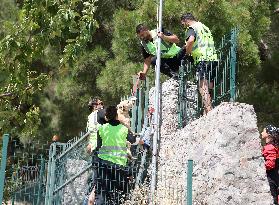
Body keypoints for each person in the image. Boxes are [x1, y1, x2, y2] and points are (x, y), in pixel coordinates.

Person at [93, 105, 137, 204]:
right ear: (117, 116)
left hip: (103, 166)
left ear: (107, 117)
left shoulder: (102, 129)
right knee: (119, 195)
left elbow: (98, 147)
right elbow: (133, 140)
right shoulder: (123, 129)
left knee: (103, 195)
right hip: (119, 167)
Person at [180, 13, 218, 114]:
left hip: (202, 59)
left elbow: (191, 40)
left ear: (186, 21)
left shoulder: (191, 28)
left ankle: (209, 111)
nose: (183, 26)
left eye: (183, 24)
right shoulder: (204, 27)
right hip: (213, 58)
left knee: (202, 86)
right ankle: (207, 110)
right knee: (209, 85)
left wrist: (187, 53)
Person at [261, 124, 279, 205]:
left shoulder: (270, 147)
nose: (261, 133)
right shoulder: (273, 146)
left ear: (268, 134)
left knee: (272, 200)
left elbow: (270, 164)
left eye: (263, 131)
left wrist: (259, 167)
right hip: (274, 178)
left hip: (271, 179)